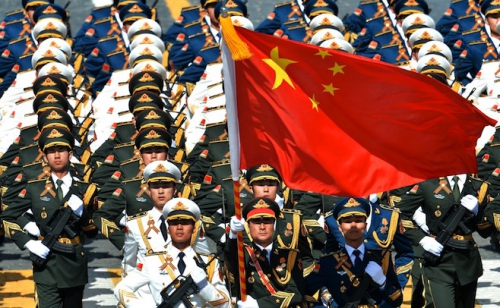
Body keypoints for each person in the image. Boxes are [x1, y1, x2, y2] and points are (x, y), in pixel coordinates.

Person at [0, 126, 97, 307]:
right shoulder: (35, 187)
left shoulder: (84, 187)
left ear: (70, 154)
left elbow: (92, 231)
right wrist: (28, 242)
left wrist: (82, 214)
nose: (57, 155)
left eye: (61, 150)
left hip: (74, 262)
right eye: (51, 151)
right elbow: (7, 216)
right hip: (46, 262)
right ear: (44, 157)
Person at [391, 174, 490, 308]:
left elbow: (486, 232)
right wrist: (422, 239)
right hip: (439, 263)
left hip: (467, 262)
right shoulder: (428, 184)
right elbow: (398, 213)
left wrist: (478, 212)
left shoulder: (478, 186)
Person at [115, 197, 230, 307]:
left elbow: (226, 304)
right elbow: (122, 289)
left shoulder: (209, 262)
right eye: (174, 223)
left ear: (194, 228)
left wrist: (204, 287)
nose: (179, 227)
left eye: (185, 223)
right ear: (168, 229)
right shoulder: (152, 261)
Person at [306, 197, 403, 307]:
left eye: (358, 221)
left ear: (365, 226)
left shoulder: (382, 258)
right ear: (340, 228)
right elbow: (303, 293)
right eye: (347, 222)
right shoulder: (328, 263)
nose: (353, 225)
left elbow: (397, 300)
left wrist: (383, 282)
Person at [226, 197, 304, 307]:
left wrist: (259, 305)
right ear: (248, 226)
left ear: (274, 225)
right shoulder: (243, 254)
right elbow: (231, 257)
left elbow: (296, 293)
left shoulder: (291, 256)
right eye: (256, 222)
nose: (262, 227)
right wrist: (233, 234)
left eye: (267, 221)